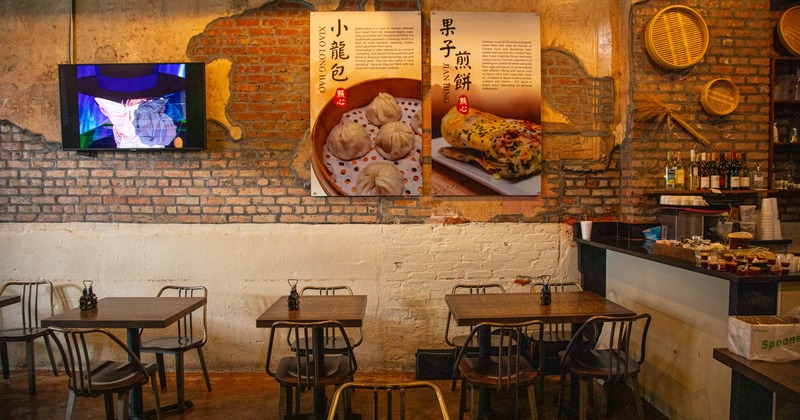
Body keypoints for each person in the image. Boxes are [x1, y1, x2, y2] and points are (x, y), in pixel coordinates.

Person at [76, 64, 186, 149]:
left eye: (143, 107)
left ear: (160, 107)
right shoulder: (91, 144)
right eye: (118, 109)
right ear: (103, 109)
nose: (132, 120)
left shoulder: (186, 139)